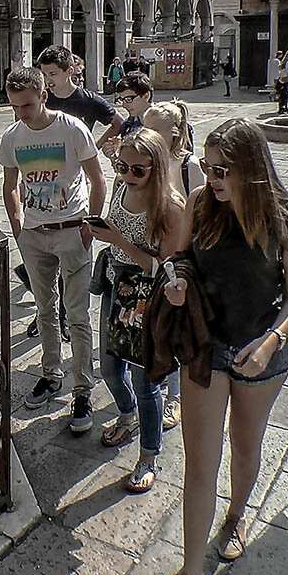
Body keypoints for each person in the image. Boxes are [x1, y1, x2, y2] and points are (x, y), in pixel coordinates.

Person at [146, 118, 288, 575]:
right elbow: (180, 258)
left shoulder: (286, 217)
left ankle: (236, 517)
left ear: (251, 169)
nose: (212, 179)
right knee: (200, 463)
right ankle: (192, 573)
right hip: (206, 347)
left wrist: (271, 342)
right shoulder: (202, 205)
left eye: (222, 171)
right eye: (207, 168)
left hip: (263, 347)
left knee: (244, 445)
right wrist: (175, 279)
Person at [0, 67, 107, 431]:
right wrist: (16, 221)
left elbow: (97, 178)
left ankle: (82, 389)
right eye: (14, 106)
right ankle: (51, 372)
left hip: (71, 229)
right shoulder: (13, 135)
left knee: (76, 314)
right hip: (34, 233)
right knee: (44, 309)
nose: (21, 113)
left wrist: (91, 222)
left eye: (26, 105)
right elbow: (10, 182)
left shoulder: (71, 128)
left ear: (44, 96)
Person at [89, 129, 188, 492]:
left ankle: (149, 455)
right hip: (116, 287)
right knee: (111, 369)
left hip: (148, 296)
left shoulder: (170, 207)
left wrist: (117, 239)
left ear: (156, 168)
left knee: (147, 382)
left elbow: (165, 266)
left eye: (137, 170)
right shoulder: (121, 188)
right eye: (121, 166)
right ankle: (127, 415)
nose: (127, 175)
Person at [134, 99, 206, 431]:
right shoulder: (145, 159)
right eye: (142, 125)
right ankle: (156, 380)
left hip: (179, 254)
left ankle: (174, 396)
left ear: (174, 132)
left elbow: (202, 209)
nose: (143, 132)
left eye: (151, 128)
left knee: (175, 325)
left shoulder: (189, 165)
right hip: (151, 251)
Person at [102, 72, 154, 159]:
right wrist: (115, 155)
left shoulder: (165, 124)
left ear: (146, 96)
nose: (124, 105)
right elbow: (127, 169)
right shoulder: (128, 126)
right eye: (122, 100)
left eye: (128, 99)